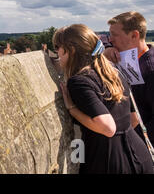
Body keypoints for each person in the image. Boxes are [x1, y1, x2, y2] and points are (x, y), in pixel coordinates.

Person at [54, 24, 153, 174]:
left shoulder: (79, 81)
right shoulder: (114, 73)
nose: (56, 53)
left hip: (109, 162)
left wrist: (72, 110)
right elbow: (133, 119)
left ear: (71, 50)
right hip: (140, 155)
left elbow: (108, 128)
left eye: (57, 47)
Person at [103, 11, 154, 145]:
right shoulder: (126, 59)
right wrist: (108, 48)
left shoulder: (150, 69)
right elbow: (98, 38)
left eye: (114, 35)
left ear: (134, 35)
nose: (110, 39)